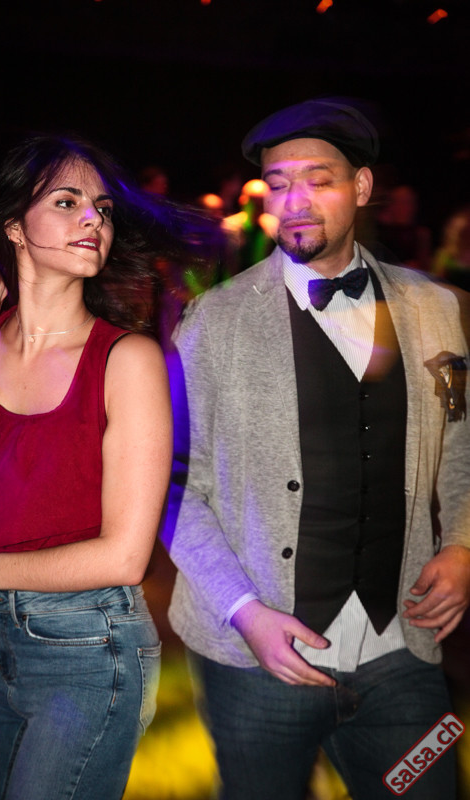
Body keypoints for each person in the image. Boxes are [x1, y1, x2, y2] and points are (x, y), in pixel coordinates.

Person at [163, 98, 470, 799]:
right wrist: (244, 611)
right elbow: (175, 487)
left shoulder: (436, 310)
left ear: (361, 187)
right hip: (255, 664)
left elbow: (460, 445)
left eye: (317, 179)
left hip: (402, 655)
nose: (294, 201)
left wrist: (460, 545)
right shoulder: (213, 322)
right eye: (278, 184)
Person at [0, 134, 176, 800]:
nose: (93, 219)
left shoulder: (126, 360)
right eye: (67, 202)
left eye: (102, 208)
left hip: (89, 648)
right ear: (15, 226)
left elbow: (125, 557)